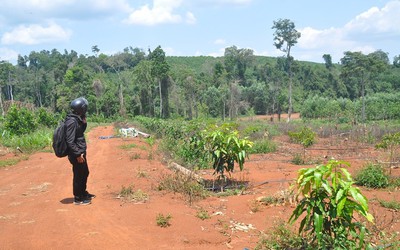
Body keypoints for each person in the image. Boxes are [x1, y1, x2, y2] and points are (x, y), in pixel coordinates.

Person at [65, 97, 95, 205]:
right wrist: (78, 154)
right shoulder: (71, 122)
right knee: (78, 175)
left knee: (85, 173)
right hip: (76, 154)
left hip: (80, 152)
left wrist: (83, 122)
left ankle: (83, 193)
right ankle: (78, 198)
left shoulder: (76, 119)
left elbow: (80, 132)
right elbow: (70, 141)